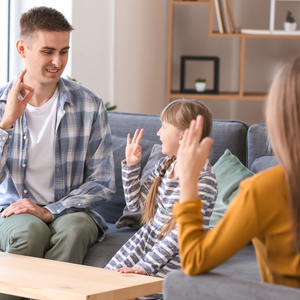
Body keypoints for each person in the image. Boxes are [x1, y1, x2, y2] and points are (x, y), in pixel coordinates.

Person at [0, 5, 115, 291]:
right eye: (47, 51)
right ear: (21, 48)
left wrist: (51, 211)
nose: (57, 61)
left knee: (74, 231)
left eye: (64, 51)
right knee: (29, 233)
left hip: (71, 210)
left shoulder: (89, 104)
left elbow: (102, 181)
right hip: (11, 210)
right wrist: (7, 123)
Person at [173, 54, 300, 289]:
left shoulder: (265, 190)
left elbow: (192, 260)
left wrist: (189, 180)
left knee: (176, 284)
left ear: (280, 117)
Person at [105, 99, 218, 299]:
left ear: (183, 136)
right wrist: (131, 167)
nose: (158, 133)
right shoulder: (167, 164)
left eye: (164, 127)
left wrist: (144, 267)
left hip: (175, 257)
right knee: (103, 285)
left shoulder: (204, 181)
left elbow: (180, 236)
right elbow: (136, 206)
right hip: (145, 243)